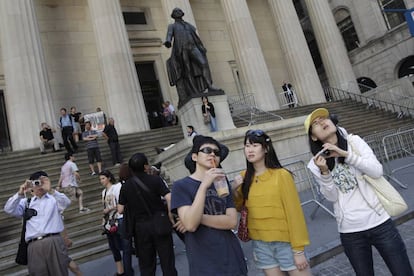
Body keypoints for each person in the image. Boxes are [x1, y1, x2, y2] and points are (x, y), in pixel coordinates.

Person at [305, 107, 413, 276]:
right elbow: (332, 196)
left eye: (324, 118)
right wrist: (325, 172)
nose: (322, 122)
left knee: (402, 271)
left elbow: (377, 171)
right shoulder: (315, 164)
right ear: (313, 136)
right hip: (350, 232)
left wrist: (346, 155)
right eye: (316, 124)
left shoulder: (354, 142)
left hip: (380, 223)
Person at [232, 130, 310, 275]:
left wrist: (298, 250)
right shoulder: (244, 177)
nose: (250, 149)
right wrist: (235, 190)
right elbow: (239, 207)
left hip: (286, 243)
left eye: (255, 145)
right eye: (247, 146)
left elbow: (294, 214)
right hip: (260, 244)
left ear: (266, 148)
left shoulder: (282, 175)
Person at [171, 135, 247, 275]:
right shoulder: (180, 186)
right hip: (204, 262)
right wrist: (204, 185)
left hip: (231, 256)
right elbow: (191, 226)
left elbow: (231, 221)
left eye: (216, 152)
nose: (212, 154)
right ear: (195, 157)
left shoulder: (222, 183)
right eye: (207, 150)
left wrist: (196, 217)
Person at [118, 153, 177, 276]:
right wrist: (170, 214)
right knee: (168, 262)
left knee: (147, 265)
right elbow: (169, 197)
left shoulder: (126, 186)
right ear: (145, 166)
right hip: (159, 222)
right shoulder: (156, 180)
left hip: (141, 227)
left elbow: (120, 209)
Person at [4, 171, 71, 275]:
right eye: (36, 182)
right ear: (31, 184)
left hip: (54, 241)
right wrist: (20, 193)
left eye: (42, 181)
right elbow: (9, 209)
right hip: (33, 244)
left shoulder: (53, 199)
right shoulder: (26, 202)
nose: (39, 185)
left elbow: (66, 202)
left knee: (59, 272)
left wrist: (51, 190)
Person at [164, 8, 221, 107]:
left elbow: (195, 36)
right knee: (188, 70)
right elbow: (169, 36)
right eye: (176, 11)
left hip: (193, 47)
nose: (179, 12)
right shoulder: (172, 26)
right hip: (182, 50)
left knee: (203, 64)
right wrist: (168, 42)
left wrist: (201, 47)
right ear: (173, 15)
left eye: (180, 11)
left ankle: (209, 85)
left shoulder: (188, 25)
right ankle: (194, 90)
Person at [99, 170, 125, 276]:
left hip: (118, 218)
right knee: (113, 246)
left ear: (109, 178)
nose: (101, 181)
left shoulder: (116, 187)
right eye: (100, 179)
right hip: (109, 222)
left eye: (103, 178)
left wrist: (110, 209)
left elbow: (121, 202)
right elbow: (104, 208)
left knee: (124, 244)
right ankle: (120, 270)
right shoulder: (103, 192)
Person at [117, 164, 135, 276]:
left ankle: (128, 271)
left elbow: (120, 209)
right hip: (132, 217)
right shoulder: (131, 185)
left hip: (123, 220)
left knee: (126, 248)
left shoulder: (119, 186)